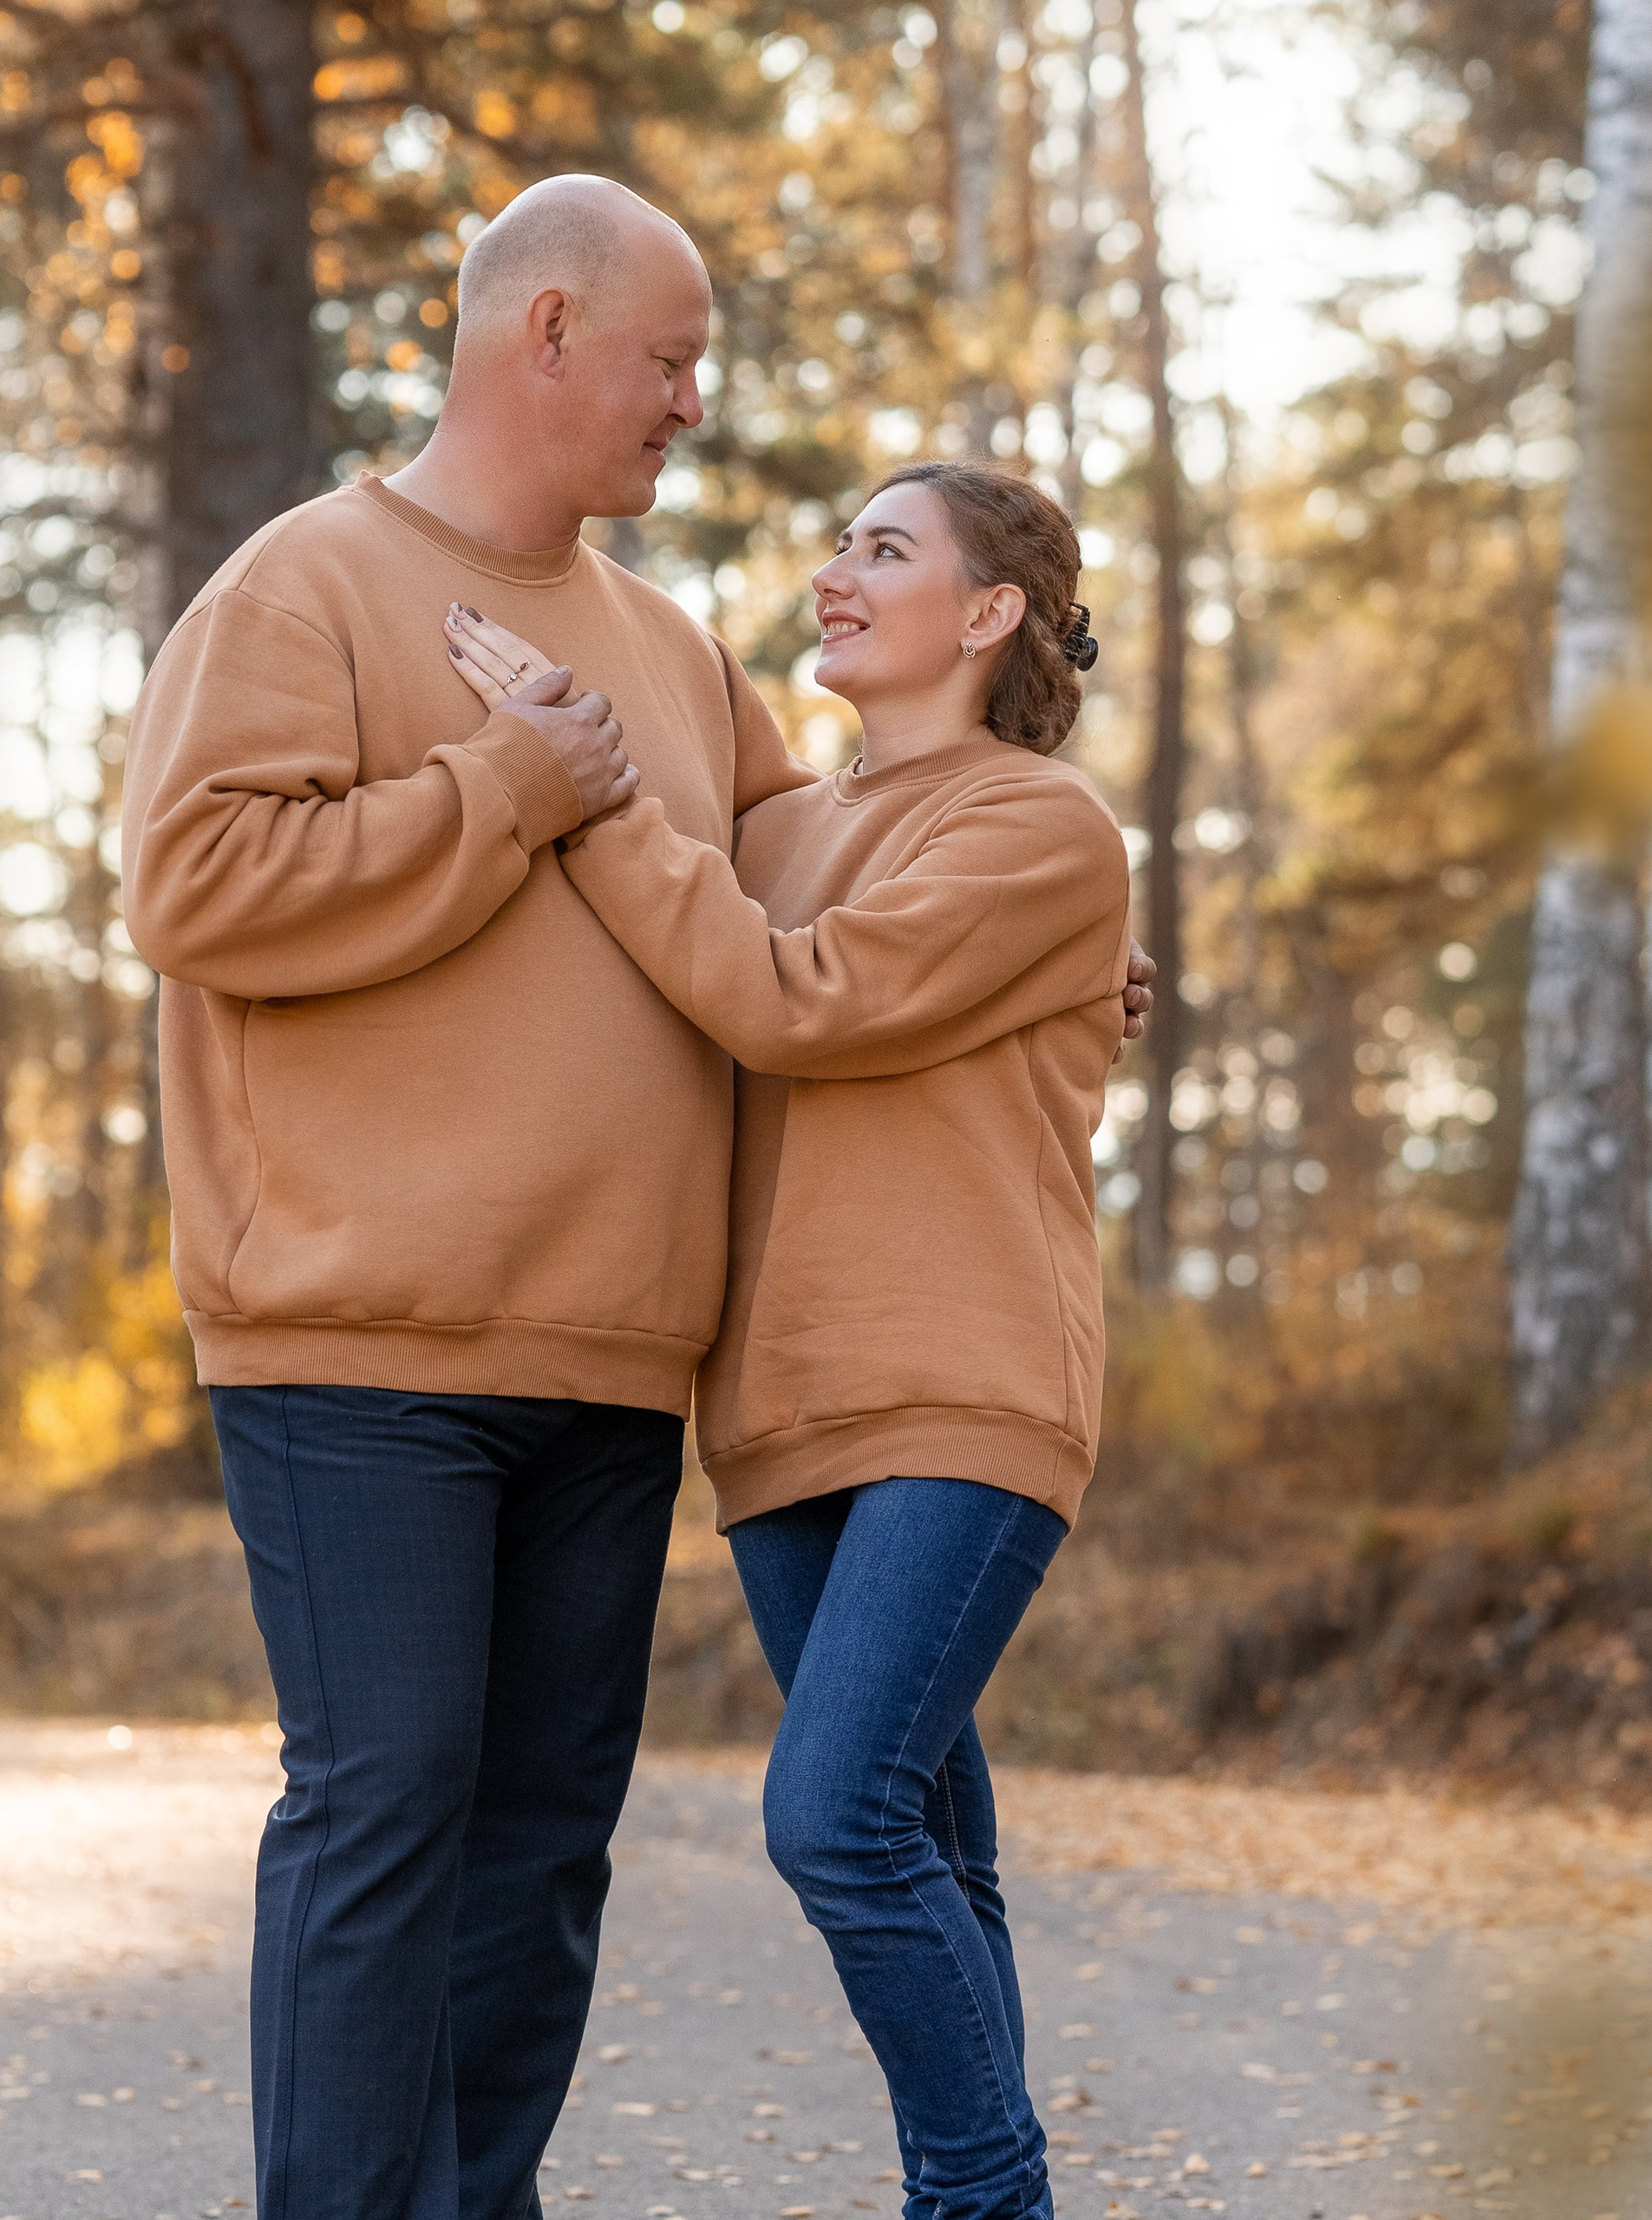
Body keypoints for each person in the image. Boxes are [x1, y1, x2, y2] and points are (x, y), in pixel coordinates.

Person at [122, 166, 1151, 2218]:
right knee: (387, 1807)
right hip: (362, 1336)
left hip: (621, 1364)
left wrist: (1062, 940)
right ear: (550, 335)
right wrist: (500, 790)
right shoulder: (305, 584)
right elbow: (194, 885)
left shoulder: (677, 657)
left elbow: (822, 877)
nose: (693, 400)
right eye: (672, 357)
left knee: (534, 1848)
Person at [441, 460, 1130, 2220]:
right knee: (931, 1844)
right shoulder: (778, 830)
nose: (832, 573)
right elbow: (696, 927)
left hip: (964, 1389)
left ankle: (983, 2195)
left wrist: (582, 794)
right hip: (778, 1411)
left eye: (881, 550)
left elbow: (787, 999)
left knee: (831, 1817)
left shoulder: (1036, 826)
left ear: (988, 614)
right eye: (836, 543)